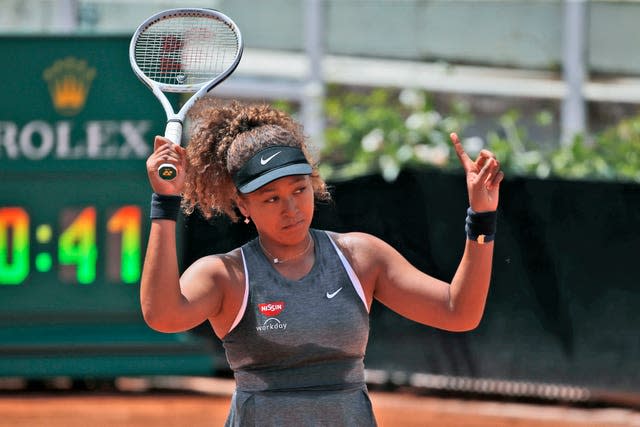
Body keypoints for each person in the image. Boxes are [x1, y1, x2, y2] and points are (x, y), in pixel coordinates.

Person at [141, 99, 503, 426]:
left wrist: (482, 219)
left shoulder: (360, 258)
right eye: (271, 199)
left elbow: (460, 311)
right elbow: (162, 315)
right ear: (242, 205)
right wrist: (165, 204)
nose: (292, 208)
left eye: (299, 189)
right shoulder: (226, 275)